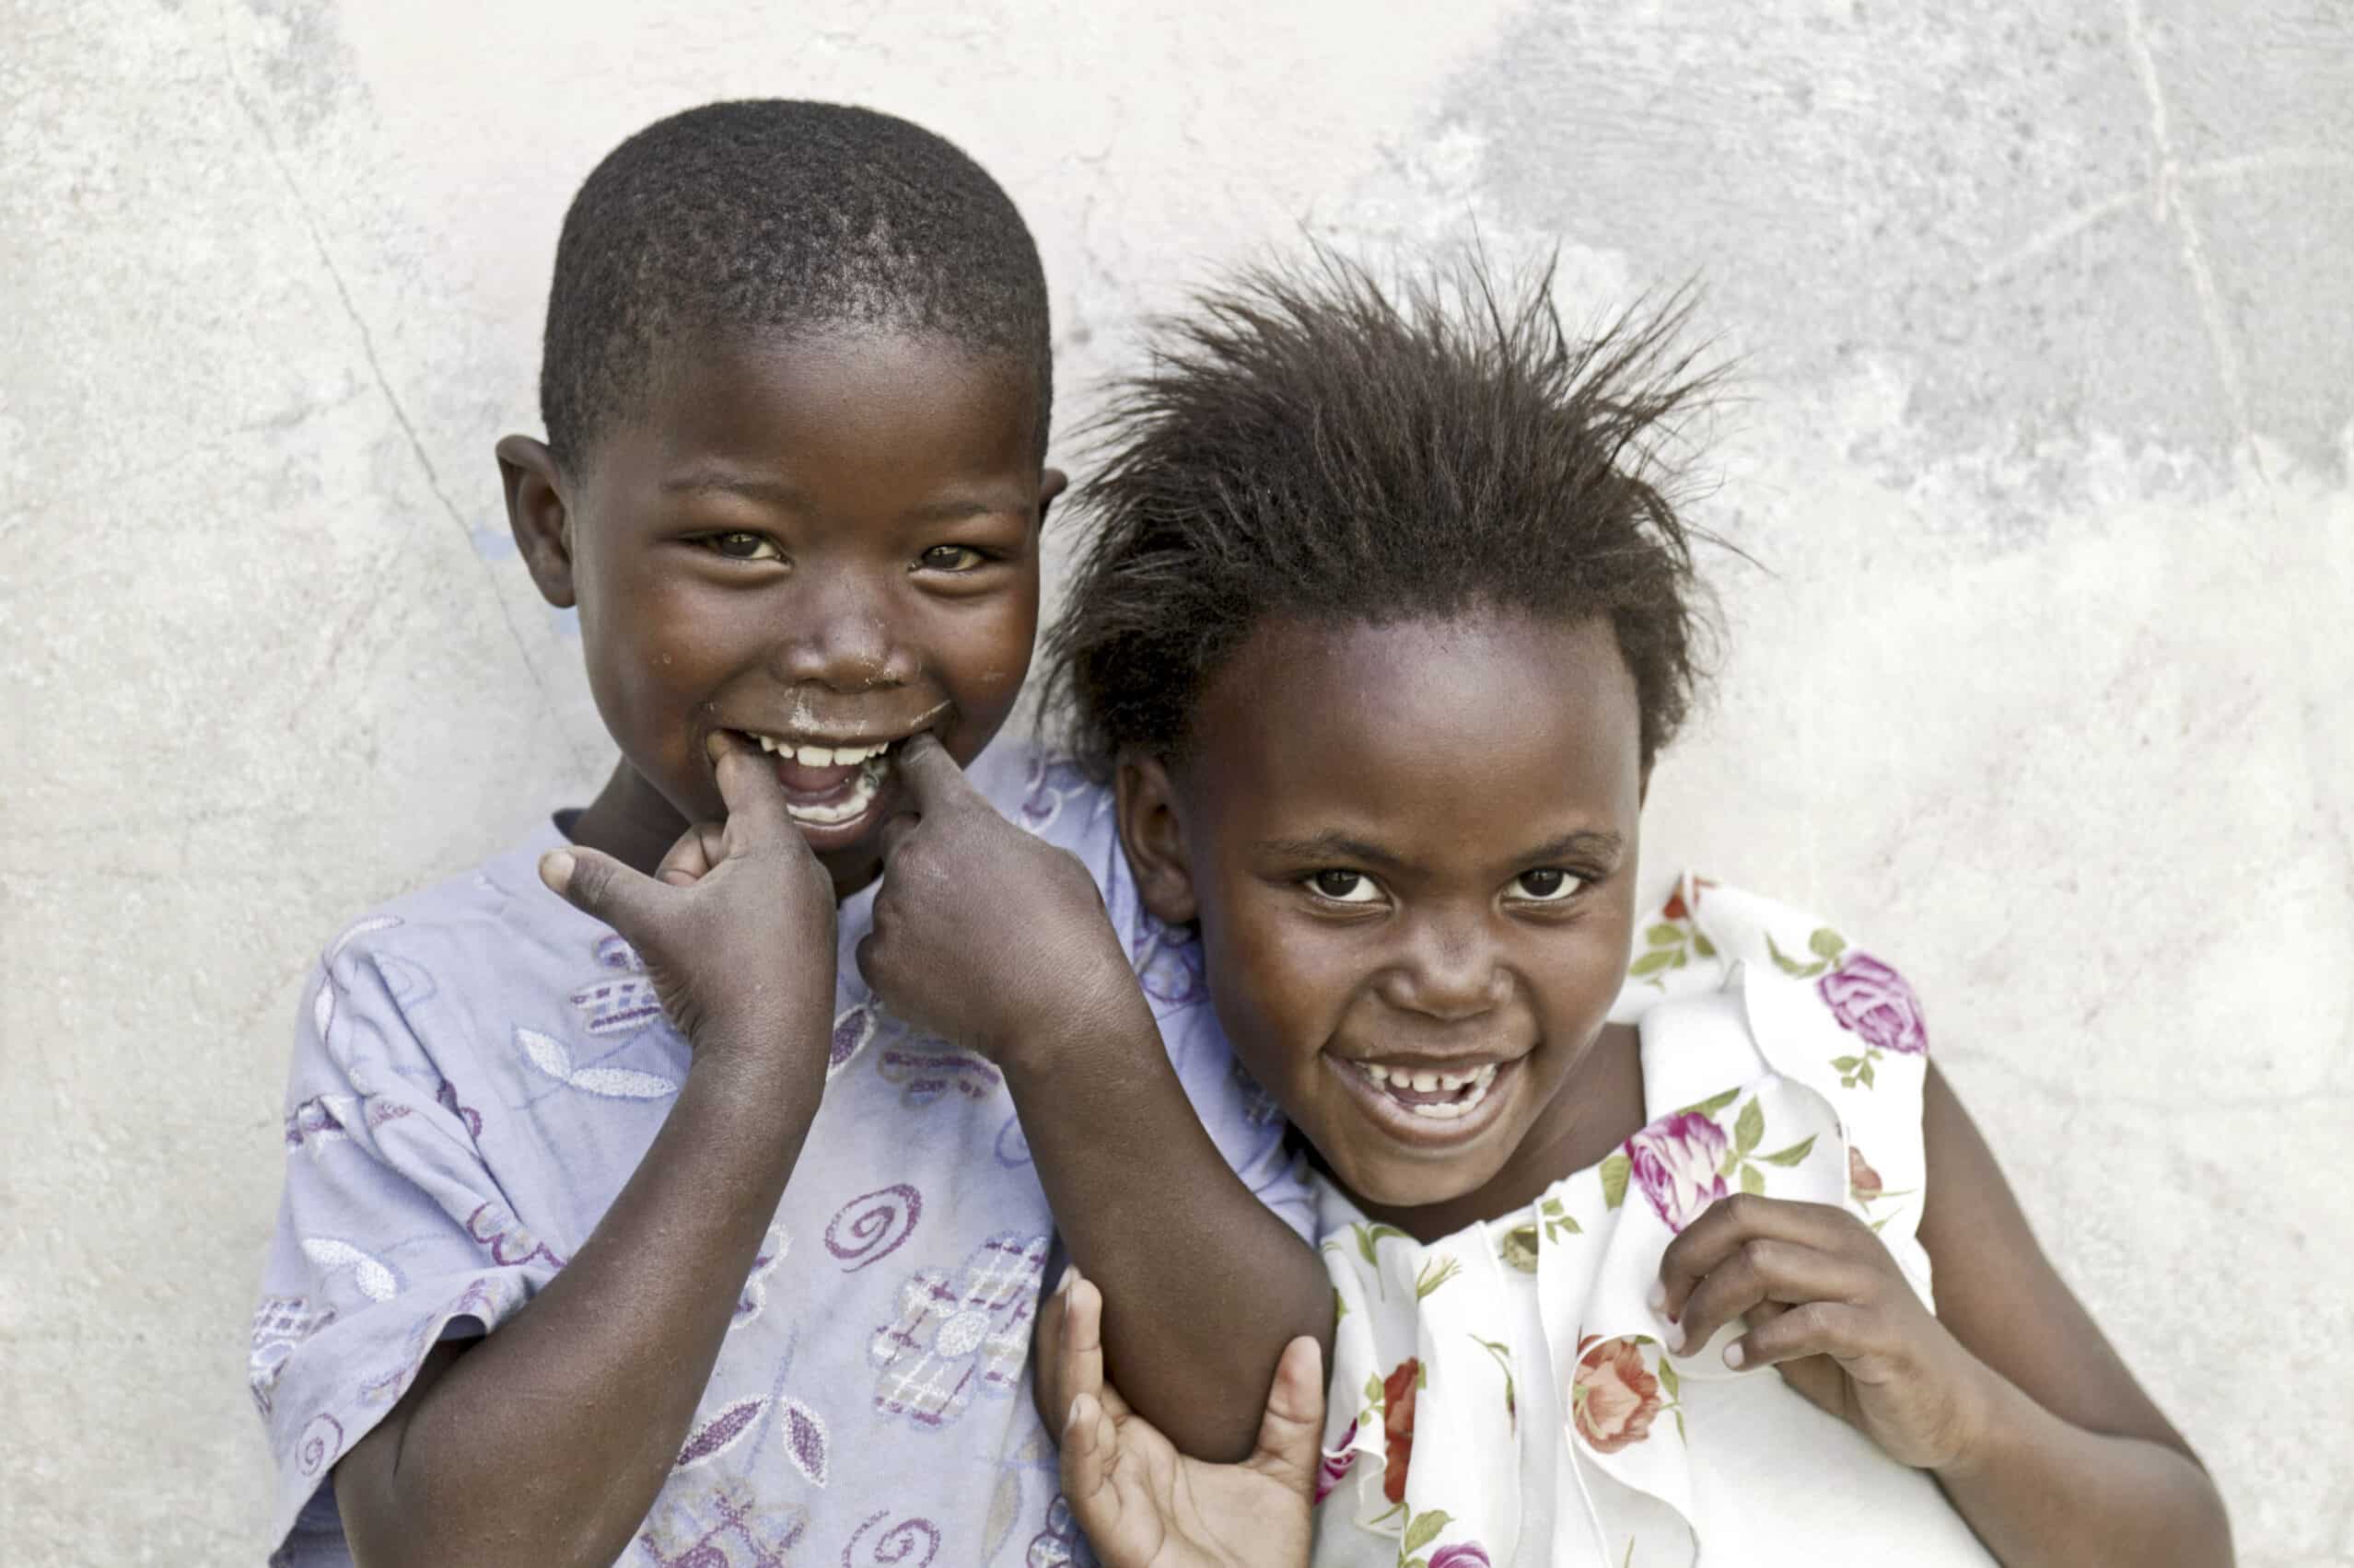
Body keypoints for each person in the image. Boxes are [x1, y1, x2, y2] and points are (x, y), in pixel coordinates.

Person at [247, 100, 1330, 1568]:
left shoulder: (1099, 893)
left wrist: (1071, 1026)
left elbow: (1267, 1418)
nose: (849, 649)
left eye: (953, 557)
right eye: (742, 545)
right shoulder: (419, 1007)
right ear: (553, 524)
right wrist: (758, 1066)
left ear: (1035, 530)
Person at [1030, 250, 2234, 1566]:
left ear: (1633, 809)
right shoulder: (1229, 1279)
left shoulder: (1802, 1080)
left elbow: (2181, 1541)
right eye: (1344, 884)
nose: (1448, 976)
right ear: (1164, 836)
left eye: (1546, 883)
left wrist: (1961, 1416)